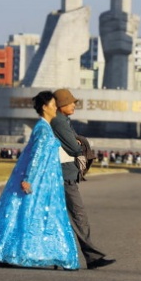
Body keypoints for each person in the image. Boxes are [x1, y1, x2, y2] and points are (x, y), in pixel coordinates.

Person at [0, 91, 79, 269]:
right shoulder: (43, 128)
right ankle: (32, 253)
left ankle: (16, 252)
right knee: (36, 216)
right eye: (53, 105)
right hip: (41, 180)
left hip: (47, 180)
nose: (55, 108)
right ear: (45, 107)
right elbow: (36, 156)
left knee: (28, 215)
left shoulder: (43, 127)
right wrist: (29, 179)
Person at [51, 88, 115, 270]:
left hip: (66, 174)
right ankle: (91, 257)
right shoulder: (59, 122)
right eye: (71, 103)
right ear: (62, 104)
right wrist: (79, 145)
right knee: (78, 217)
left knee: (64, 218)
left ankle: (64, 256)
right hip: (64, 176)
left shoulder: (63, 120)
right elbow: (73, 147)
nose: (74, 106)